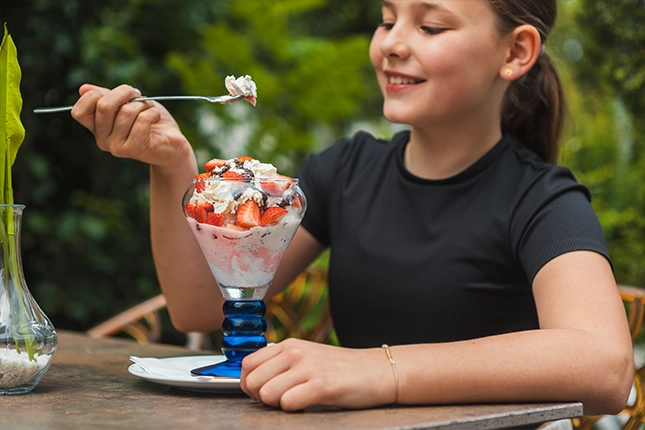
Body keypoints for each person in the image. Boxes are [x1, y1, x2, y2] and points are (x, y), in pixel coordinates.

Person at [71, 0, 634, 416]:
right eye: (387, 19)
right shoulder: (345, 172)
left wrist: (377, 369)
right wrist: (172, 166)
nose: (392, 42)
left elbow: (604, 367)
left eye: (430, 25)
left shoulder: (542, 199)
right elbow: (198, 307)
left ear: (515, 52)